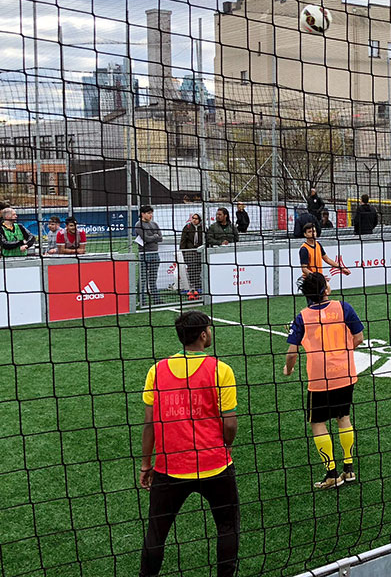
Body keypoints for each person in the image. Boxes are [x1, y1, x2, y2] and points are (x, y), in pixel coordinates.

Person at [139, 311, 239, 576]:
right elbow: (230, 423)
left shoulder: (156, 371)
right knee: (227, 527)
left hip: (169, 468)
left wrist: (146, 464)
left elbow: (149, 424)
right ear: (203, 335)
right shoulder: (221, 369)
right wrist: (226, 446)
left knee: (156, 534)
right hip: (215, 466)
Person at [283, 272, 364, 489]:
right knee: (343, 417)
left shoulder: (302, 317)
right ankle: (349, 469)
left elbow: (292, 354)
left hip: (320, 378)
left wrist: (288, 370)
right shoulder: (344, 308)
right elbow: (359, 338)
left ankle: (331, 474)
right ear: (325, 290)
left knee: (317, 422)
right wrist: (343, 352)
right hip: (345, 374)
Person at [134, 205, 163, 305]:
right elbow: (146, 238)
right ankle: (142, 300)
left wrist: (153, 237)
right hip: (144, 254)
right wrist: (154, 236)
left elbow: (160, 237)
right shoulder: (138, 225)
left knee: (153, 278)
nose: (151, 215)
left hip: (155, 254)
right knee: (142, 278)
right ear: (143, 214)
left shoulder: (154, 224)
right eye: (148, 213)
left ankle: (156, 299)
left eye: (151, 213)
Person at [180, 213, 204, 292]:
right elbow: (183, 241)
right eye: (193, 218)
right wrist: (183, 252)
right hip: (189, 252)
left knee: (198, 269)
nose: (194, 220)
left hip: (199, 252)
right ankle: (193, 286)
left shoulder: (203, 228)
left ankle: (198, 286)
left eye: (196, 218)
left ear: (199, 220)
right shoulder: (187, 227)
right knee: (191, 269)